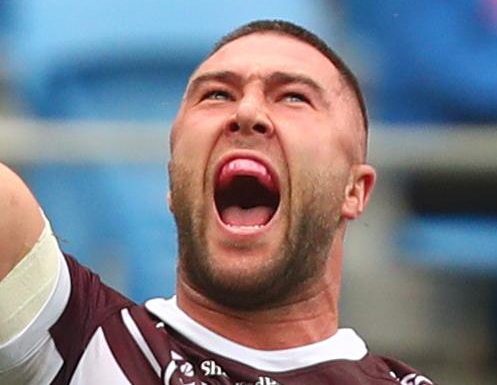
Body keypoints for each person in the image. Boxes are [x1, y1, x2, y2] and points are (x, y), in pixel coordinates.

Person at [0, 20, 434, 384]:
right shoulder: (88, 343)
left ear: (354, 191)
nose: (247, 113)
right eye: (217, 95)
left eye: (293, 97)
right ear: (174, 180)